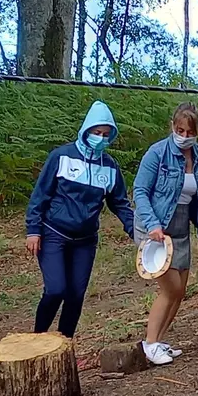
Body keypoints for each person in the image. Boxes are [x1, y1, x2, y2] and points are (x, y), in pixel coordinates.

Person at [26, 101, 135, 339]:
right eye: (97, 133)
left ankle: (65, 343)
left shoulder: (110, 167)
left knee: (76, 294)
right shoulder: (61, 156)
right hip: (54, 233)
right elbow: (40, 195)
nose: (101, 138)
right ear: (86, 130)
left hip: (85, 240)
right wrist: (33, 230)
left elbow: (119, 203)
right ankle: (36, 339)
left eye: (106, 135)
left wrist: (137, 231)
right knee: (56, 290)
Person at [133, 104, 198, 366]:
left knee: (181, 291)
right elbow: (140, 191)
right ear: (172, 126)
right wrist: (153, 224)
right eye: (180, 130)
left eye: (190, 131)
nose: (184, 135)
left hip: (181, 229)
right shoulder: (157, 153)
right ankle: (149, 342)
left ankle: (159, 341)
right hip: (154, 228)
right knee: (170, 288)